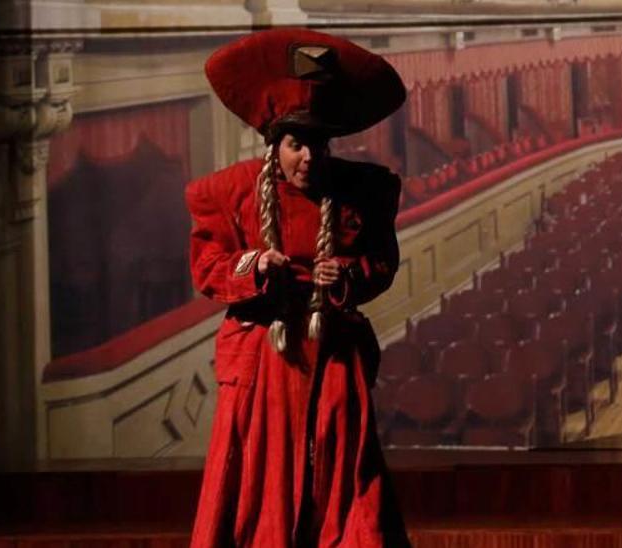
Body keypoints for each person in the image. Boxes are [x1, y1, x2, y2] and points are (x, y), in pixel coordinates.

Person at [185, 29, 412, 547]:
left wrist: (349, 275)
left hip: (332, 361)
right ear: (276, 145)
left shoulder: (365, 192)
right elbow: (208, 266)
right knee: (255, 492)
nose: (307, 157)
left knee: (345, 484)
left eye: (317, 144)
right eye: (295, 144)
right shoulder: (227, 193)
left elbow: (382, 261)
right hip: (262, 368)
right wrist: (253, 266)